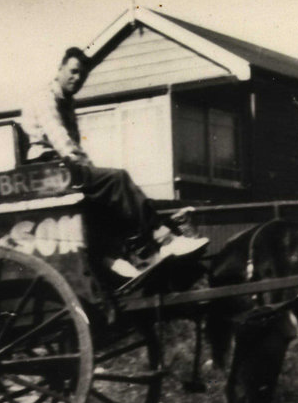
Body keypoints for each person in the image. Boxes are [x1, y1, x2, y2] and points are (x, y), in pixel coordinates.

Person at [20, 47, 208, 280]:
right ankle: (164, 239)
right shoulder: (46, 99)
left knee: (108, 195)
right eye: (72, 72)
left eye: (82, 76)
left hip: (62, 168)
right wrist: (90, 170)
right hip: (50, 168)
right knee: (117, 179)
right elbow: (62, 141)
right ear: (60, 69)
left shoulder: (67, 102)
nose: (76, 79)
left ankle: (111, 256)